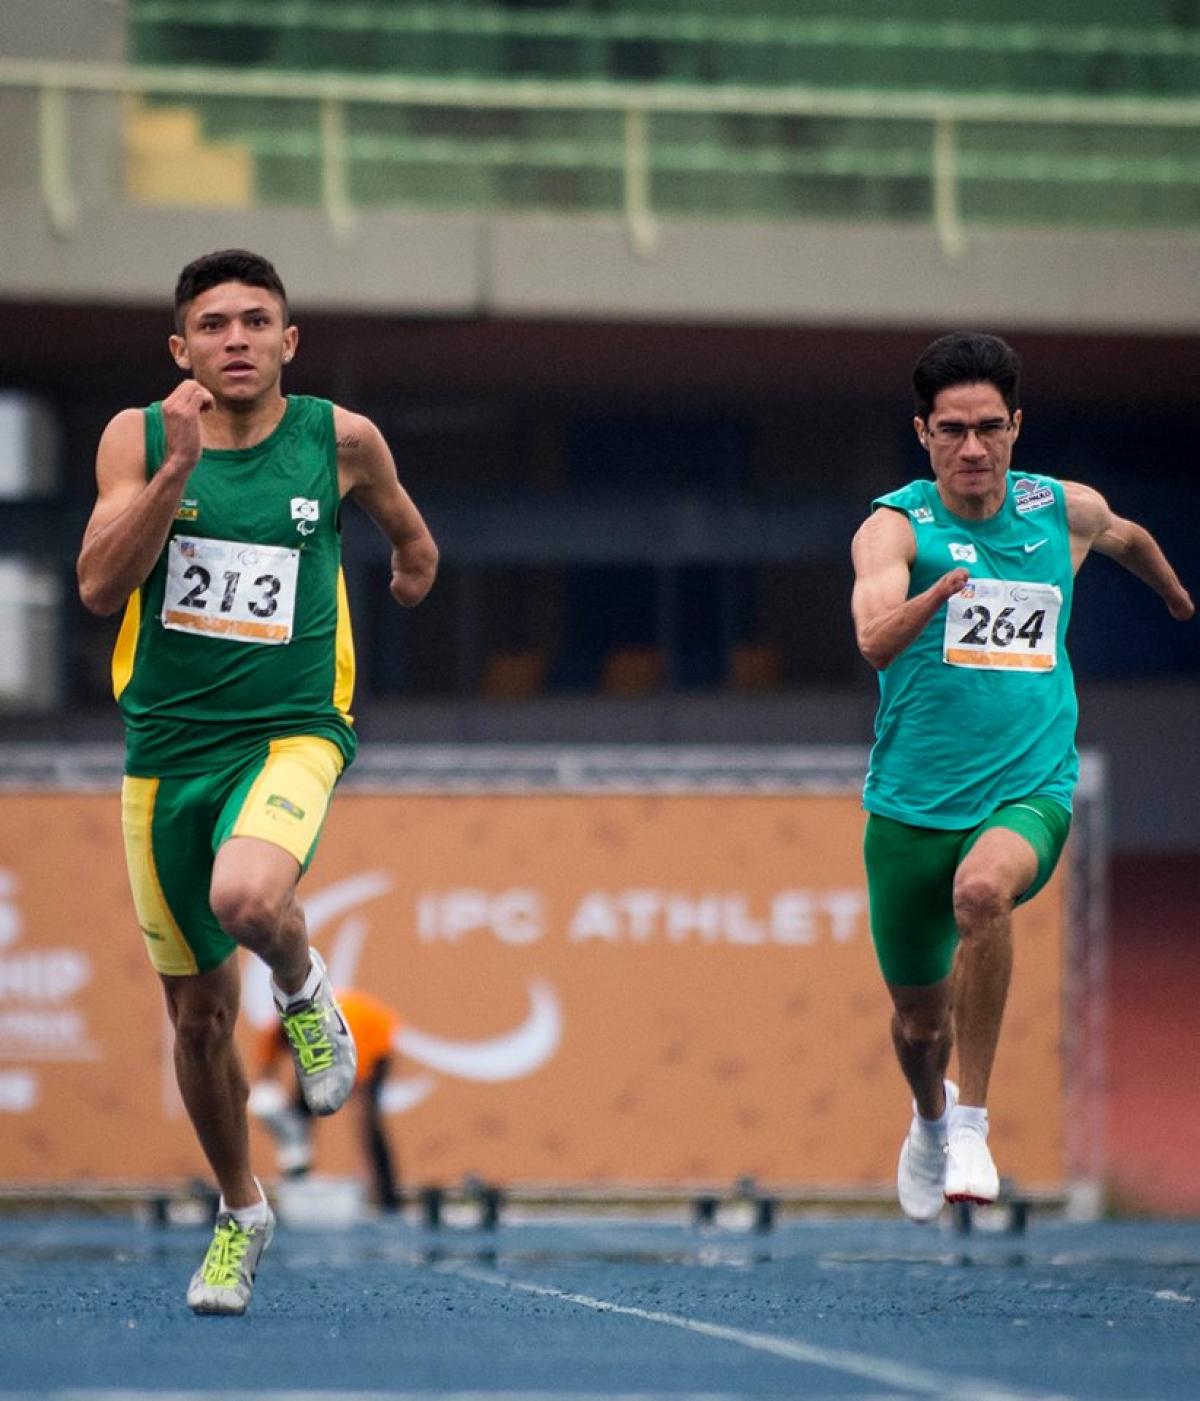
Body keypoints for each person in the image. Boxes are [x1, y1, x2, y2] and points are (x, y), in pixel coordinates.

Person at [76, 249, 438, 1312]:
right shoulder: (138, 439)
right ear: (181, 348)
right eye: (215, 324)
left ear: (290, 341)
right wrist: (175, 473)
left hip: (292, 731)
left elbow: (410, 540)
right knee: (195, 1018)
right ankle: (241, 1211)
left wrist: (411, 570)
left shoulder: (342, 440)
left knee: (248, 897)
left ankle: (303, 986)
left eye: (257, 320)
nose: (237, 338)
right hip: (166, 754)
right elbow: (99, 585)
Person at [850, 331, 1193, 1222]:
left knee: (983, 894)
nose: (973, 447)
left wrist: (1174, 595)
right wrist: (936, 596)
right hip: (910, 811)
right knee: (920, 1026)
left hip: (1028, 789)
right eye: (953, 429)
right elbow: (872, 639)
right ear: (923, 432)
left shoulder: (1060, 508)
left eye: (990, 428)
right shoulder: (893, 528)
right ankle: (929, 1116)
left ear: (1015, 427)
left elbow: (1129, 536)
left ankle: (971, 1119)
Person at [249, 986, 403, 1213]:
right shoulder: (279, 1030)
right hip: (331, 1043)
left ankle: (388, 1196)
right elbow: (266, 1074)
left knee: (369, 1122)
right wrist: (278, 1119)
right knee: (299, 1116)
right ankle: (297, 1182)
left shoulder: (342, 1033)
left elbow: (357, 1090)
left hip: (373, 1038)